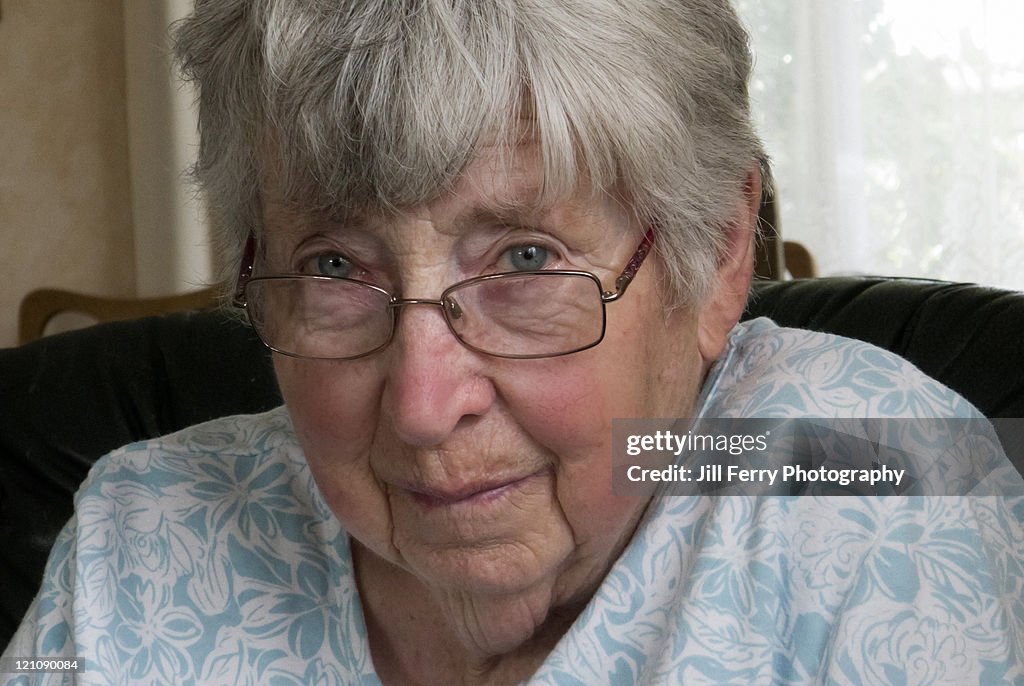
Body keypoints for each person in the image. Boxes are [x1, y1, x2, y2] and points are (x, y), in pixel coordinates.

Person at [4, 0, 1022, 683]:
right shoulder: (144, 539)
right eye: (333, 266)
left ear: (714, 257)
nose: (420, 402)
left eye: (526, 259)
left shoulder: (873, 466)